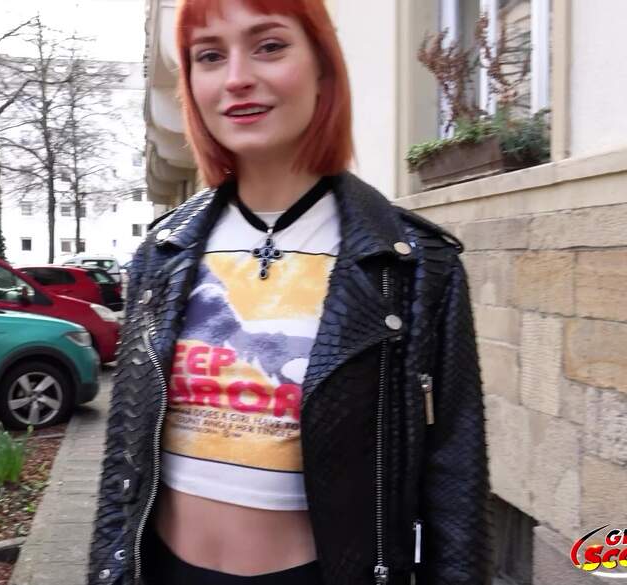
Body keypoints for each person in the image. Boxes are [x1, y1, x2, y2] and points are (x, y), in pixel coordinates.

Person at [88, 0, 492, 583]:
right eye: (209, 56)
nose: (236, 77)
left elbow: (456, 481)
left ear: (322, 68)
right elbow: (122, 462)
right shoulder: (163, 253)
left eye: (269, 46)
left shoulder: (412, 262)